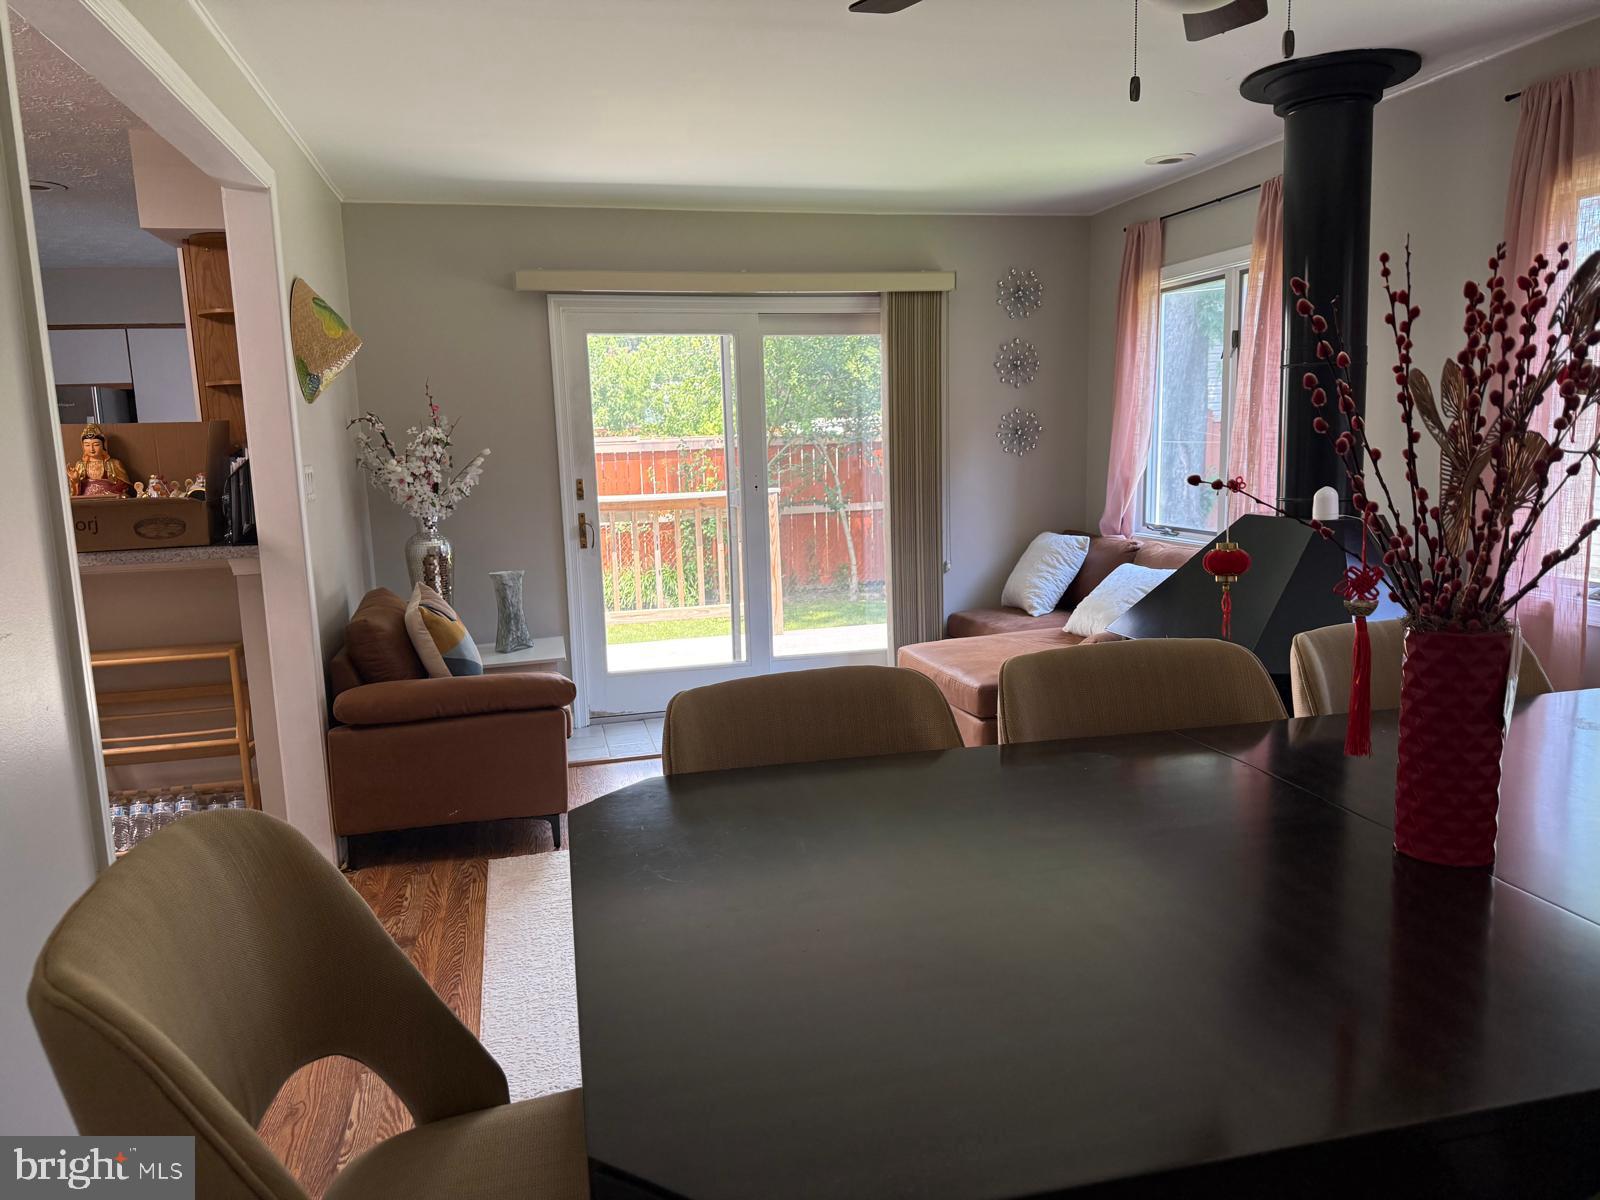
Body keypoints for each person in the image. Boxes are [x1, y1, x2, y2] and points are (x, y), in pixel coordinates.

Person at [66, 423, 133, 498]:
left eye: (96, 445)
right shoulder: (80, 464)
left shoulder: (113, 463)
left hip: (109, 498)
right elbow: (76, 492)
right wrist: (75, 480)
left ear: (103, 445)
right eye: (87, 445)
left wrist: (108, 493)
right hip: (87, 500)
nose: (91, 449)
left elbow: (123, 485)